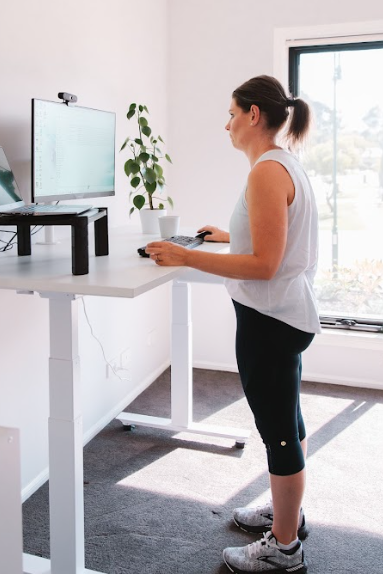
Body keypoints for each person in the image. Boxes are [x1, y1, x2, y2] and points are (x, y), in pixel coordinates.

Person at [145, 75, 321, 574]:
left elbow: (265, 263)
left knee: (279, 432)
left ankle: (284, 548)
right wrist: (228, 235)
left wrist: (185, 257)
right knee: (289, 419)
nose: (225, 125)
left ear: (252, 115)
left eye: (230, 114)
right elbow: (275, 237)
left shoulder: (266, 171)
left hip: (270, 318)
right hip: (286, 314)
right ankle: (288, 511)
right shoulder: (284, 163)